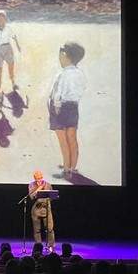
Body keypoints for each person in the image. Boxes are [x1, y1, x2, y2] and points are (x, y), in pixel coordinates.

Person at [49, 42, 87, 179]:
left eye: (60, 56)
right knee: (72, 138)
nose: (59, 59)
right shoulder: (80, 73)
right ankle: (72, 166)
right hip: (73, 107)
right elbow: (81, 89)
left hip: (60, 108)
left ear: (65, 56)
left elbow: (58, 93)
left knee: (63, 140)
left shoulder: (63, 74)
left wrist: (56, 107)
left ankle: (66, 170)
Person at [0, 10, 21, 90]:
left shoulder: (8, 28)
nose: (0, 20)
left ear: (5, 19)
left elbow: (14, 37)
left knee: (11, 66)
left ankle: (13, 83)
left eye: (1, 18)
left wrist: (18, 46)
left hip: (7, 47)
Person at [28, 170, 55, 252]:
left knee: (50, 229)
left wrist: (48, 199)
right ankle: (38, 247)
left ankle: (51, 246)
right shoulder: (31, 185)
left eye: (41, 177)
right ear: (35, 178)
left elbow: (52, 196)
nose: (40, 179)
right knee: (37, 230)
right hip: (36, 210)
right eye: (38, 178)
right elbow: (31, 197)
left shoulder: (48, 184)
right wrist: (38, 189)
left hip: (46, 209)